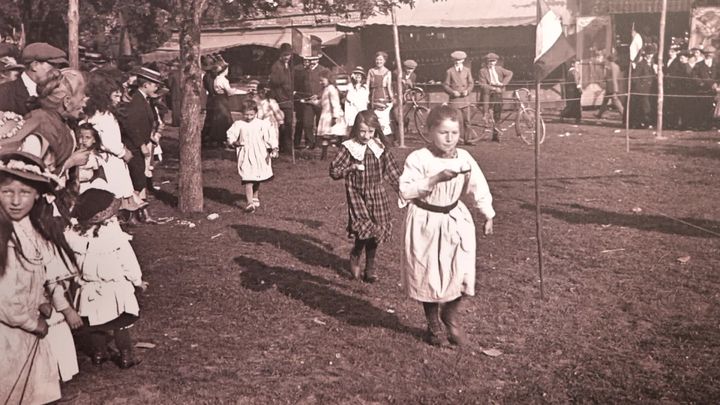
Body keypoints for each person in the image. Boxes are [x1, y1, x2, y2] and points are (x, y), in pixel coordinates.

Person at [398, 104, 495, 346]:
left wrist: (487, 213)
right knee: (427, 274)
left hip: (455, 219)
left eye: (454, 133)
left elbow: (478, 186)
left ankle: (449, 316)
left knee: (462, 270)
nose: (450, 138)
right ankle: (433, 326)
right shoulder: (418, 158)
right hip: (425, 221)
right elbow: (406, 189)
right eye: (443, 133)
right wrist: (434, 179)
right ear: (429, 131)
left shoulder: (464, 158)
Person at [0, 151, 78, 404]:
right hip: (9, 334)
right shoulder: (5, 238)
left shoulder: (33, 231)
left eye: (24, 192)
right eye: (7, 192)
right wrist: (34, 324)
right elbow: (5, 299)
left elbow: (35, 277)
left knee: (32, 393)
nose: (15, 200)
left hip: (26, 334)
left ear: (37, 195)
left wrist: (42, 301)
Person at [66, 188, 146, 368]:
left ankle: (99, 353)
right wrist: (137, 280)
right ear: (101, 216)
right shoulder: (113, 235)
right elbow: (128, 260)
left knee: (95, 321)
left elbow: (71, 263)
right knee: (120, 323)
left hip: (89, 287)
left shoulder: (73, 235)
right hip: (114, 286)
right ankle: (126, 355)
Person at [329, 110, 400, 282]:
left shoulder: (379, 147)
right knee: (364, 229)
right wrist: (350, 168)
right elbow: (334, 171)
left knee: (377, 229)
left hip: (376, 193)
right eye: (362, 131)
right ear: (356, 129)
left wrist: (402, 189)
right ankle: (355, 254)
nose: (366, 135)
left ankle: (370, 266)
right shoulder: (349, 147)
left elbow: (392, 171)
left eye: (370, 131)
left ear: (376, 130)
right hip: (357, 193)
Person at [83, 69, 141, 218]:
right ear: (105, 95)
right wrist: (123, 153)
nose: (119, 98)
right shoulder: (104, 116)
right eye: (116, 95)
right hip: (109, 159)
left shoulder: (95, 112)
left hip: (103, 156)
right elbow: (109, 141)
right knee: (114, 189)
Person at [118, 66, 164, 224]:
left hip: (141, 144)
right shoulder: (137, 101)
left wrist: (149, 137)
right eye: (154, 84)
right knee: (137, 180)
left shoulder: (144, 100)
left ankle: (138, 214)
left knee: (140, 179)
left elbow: (143, 123)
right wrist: (141, 145)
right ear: (146, 85)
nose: (156, 87)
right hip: (134, 146)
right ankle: (127, 214)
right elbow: (130, 125)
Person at [226, 99, 278, 212]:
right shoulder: (239, 124)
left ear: (256, 113)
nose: (249, 117)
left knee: (257, 176)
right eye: (246, 114)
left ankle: (255, 196)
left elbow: (269, 136)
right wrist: (234, 142)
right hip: (245, 153)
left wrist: (274, 147)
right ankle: (249, 203)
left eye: (251, 114)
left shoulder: (262, 124)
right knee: (248, 177)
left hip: (259, 153)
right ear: (242, 113)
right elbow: (231, 135)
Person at [0, 42, 68, 116]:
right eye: (53, 65)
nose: (56, 71)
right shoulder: (4, 94)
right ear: (34, 65)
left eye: (59, 66)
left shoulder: (56, 93)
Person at [201, 56, 246, 147]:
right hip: (219, 99)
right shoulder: (214, 77)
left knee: (211, 119)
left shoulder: (206, 77)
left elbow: (206, 88)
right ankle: (220, 138)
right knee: (223, 119)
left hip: (211, 99)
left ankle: (208, 138)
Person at [294, 55, 328, 149]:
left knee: (319, 123)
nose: (312, 61)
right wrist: (302, 97)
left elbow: (327, 85)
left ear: (318, 59)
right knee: (307, 123)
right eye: (310, 59)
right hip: (307, 101)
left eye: (314, 59)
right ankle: (309, 143)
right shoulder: (304, 71)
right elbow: (300, 85)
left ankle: (319, 143)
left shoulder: (323, 70)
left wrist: (318, 95)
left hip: (319, 101)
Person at [478, 52, 513, 142]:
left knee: (497, 114)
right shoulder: (483, 71)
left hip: (498, 93)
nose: (491, 63)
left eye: (493, 61)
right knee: (488, 114)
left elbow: (510, 73)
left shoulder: (499, 69)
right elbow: (482, 84)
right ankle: (485, 119)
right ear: (487, 62)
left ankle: (496, 135)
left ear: (496, 61)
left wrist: (503, 83)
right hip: (488, 94)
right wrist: (493, 88)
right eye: (489, 61)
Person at [442, 50, 475, 144]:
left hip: (465, 99)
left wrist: (467, 91)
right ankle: (458, 140)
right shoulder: (449, 71)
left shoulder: (467, 70)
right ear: (453, 60)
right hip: (455, 100)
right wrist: (452, 92)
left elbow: (471, 83)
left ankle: (467, 139)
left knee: (467, 121)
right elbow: (445, 85)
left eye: (460, 60)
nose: (457, 61)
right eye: (456, 60)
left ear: (463, 60)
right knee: (458, 121)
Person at [268, 43, 294, 154]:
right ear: (281, 54)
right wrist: (286, 84)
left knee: (289, 123)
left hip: (288, 97)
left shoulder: (288, 65)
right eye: (285, 55)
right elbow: (275, 81)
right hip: (281, 98)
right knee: (283, 123)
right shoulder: (276, 66)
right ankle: (283, 146)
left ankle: (287, 147)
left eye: (289, 55)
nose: (287, 57)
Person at [316, 70, 346, 160]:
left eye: (322, 80)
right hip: (326, 114)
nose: (320, 82)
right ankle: (324, 156)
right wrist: (311, 101)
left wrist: (335, 117)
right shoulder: (326, 89)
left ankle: (342, 155)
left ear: (328, 79)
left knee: (335, 135)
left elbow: (335, 104)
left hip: (331, 115)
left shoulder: (332, 89)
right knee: (326, 136)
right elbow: (322, 103)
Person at [366, 51, 394, 141]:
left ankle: (383, 139)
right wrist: (366, 97)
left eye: (381, 60)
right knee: (373, 117)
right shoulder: (371, 71)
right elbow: (367, 85)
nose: (379, 61)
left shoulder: (388, 72)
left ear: (384, 61)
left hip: (383, 96)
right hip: (373, 95)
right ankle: (374, 138)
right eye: (377, 59)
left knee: (383, 118)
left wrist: (392, 98)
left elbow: (389, 86)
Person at [629, 45, 656, 129]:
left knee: (647, 106)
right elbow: (635, 77)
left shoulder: (653, 63)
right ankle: (644, 122)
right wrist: (639, 86)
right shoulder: (641, 64)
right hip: (642, 89)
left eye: (651, 54)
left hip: (650, 89)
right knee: (644, 106)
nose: (649, 55)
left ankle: (645, 122)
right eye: (648, 54)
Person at [391, 59, 418, 136]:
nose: (409, 71)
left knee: (402, 115)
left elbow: (413, 87)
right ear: (404, 67)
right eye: (408, 68)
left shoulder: (413, 76)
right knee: (397, 116)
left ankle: (402, 130)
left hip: (405, 98)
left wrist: (411, 85)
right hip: (396, 96)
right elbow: (393, 83)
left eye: (411, 69)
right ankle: (397, 135)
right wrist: (400, 80)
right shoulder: (397, 73)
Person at [256, 83, 285, 150]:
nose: (260, 95)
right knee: (261, 138)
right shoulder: (257, 102)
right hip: (260, 123)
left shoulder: (271, 102)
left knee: (271, 137)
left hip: (270, 123)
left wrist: (281, 122)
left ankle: (272, 149)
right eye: (259, 93)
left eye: (262, 93)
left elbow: (277, 112)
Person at [596, 54, 625, 119]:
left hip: (611, 87)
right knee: (605, 101)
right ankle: (599, 114)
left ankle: (624, 114)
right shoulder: (616, 66)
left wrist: (615, 90)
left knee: (616, 101)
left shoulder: (611, 67)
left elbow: (613, 78)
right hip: (611, 86)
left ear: (609, 60)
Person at [344, 66, 369, 135]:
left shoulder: (365, 87)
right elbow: (348, 97)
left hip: (360, 107)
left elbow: (365, 99)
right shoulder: (350, 86)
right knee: (351, 125)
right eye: (356, 74)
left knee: (360, 123)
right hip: (351, 109)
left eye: (360, 75)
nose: (358, 76)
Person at [561, 58, 582, 123]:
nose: (578, 65)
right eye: (577, 64)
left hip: (571, 90)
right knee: (573, 104)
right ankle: (564, 115)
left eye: (578, 64)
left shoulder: (570, 71)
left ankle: (575, 117)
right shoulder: (574, 72)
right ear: (573, 64)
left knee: (573, 104)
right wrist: (579, 89)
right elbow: (576, 81)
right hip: (574, 90)